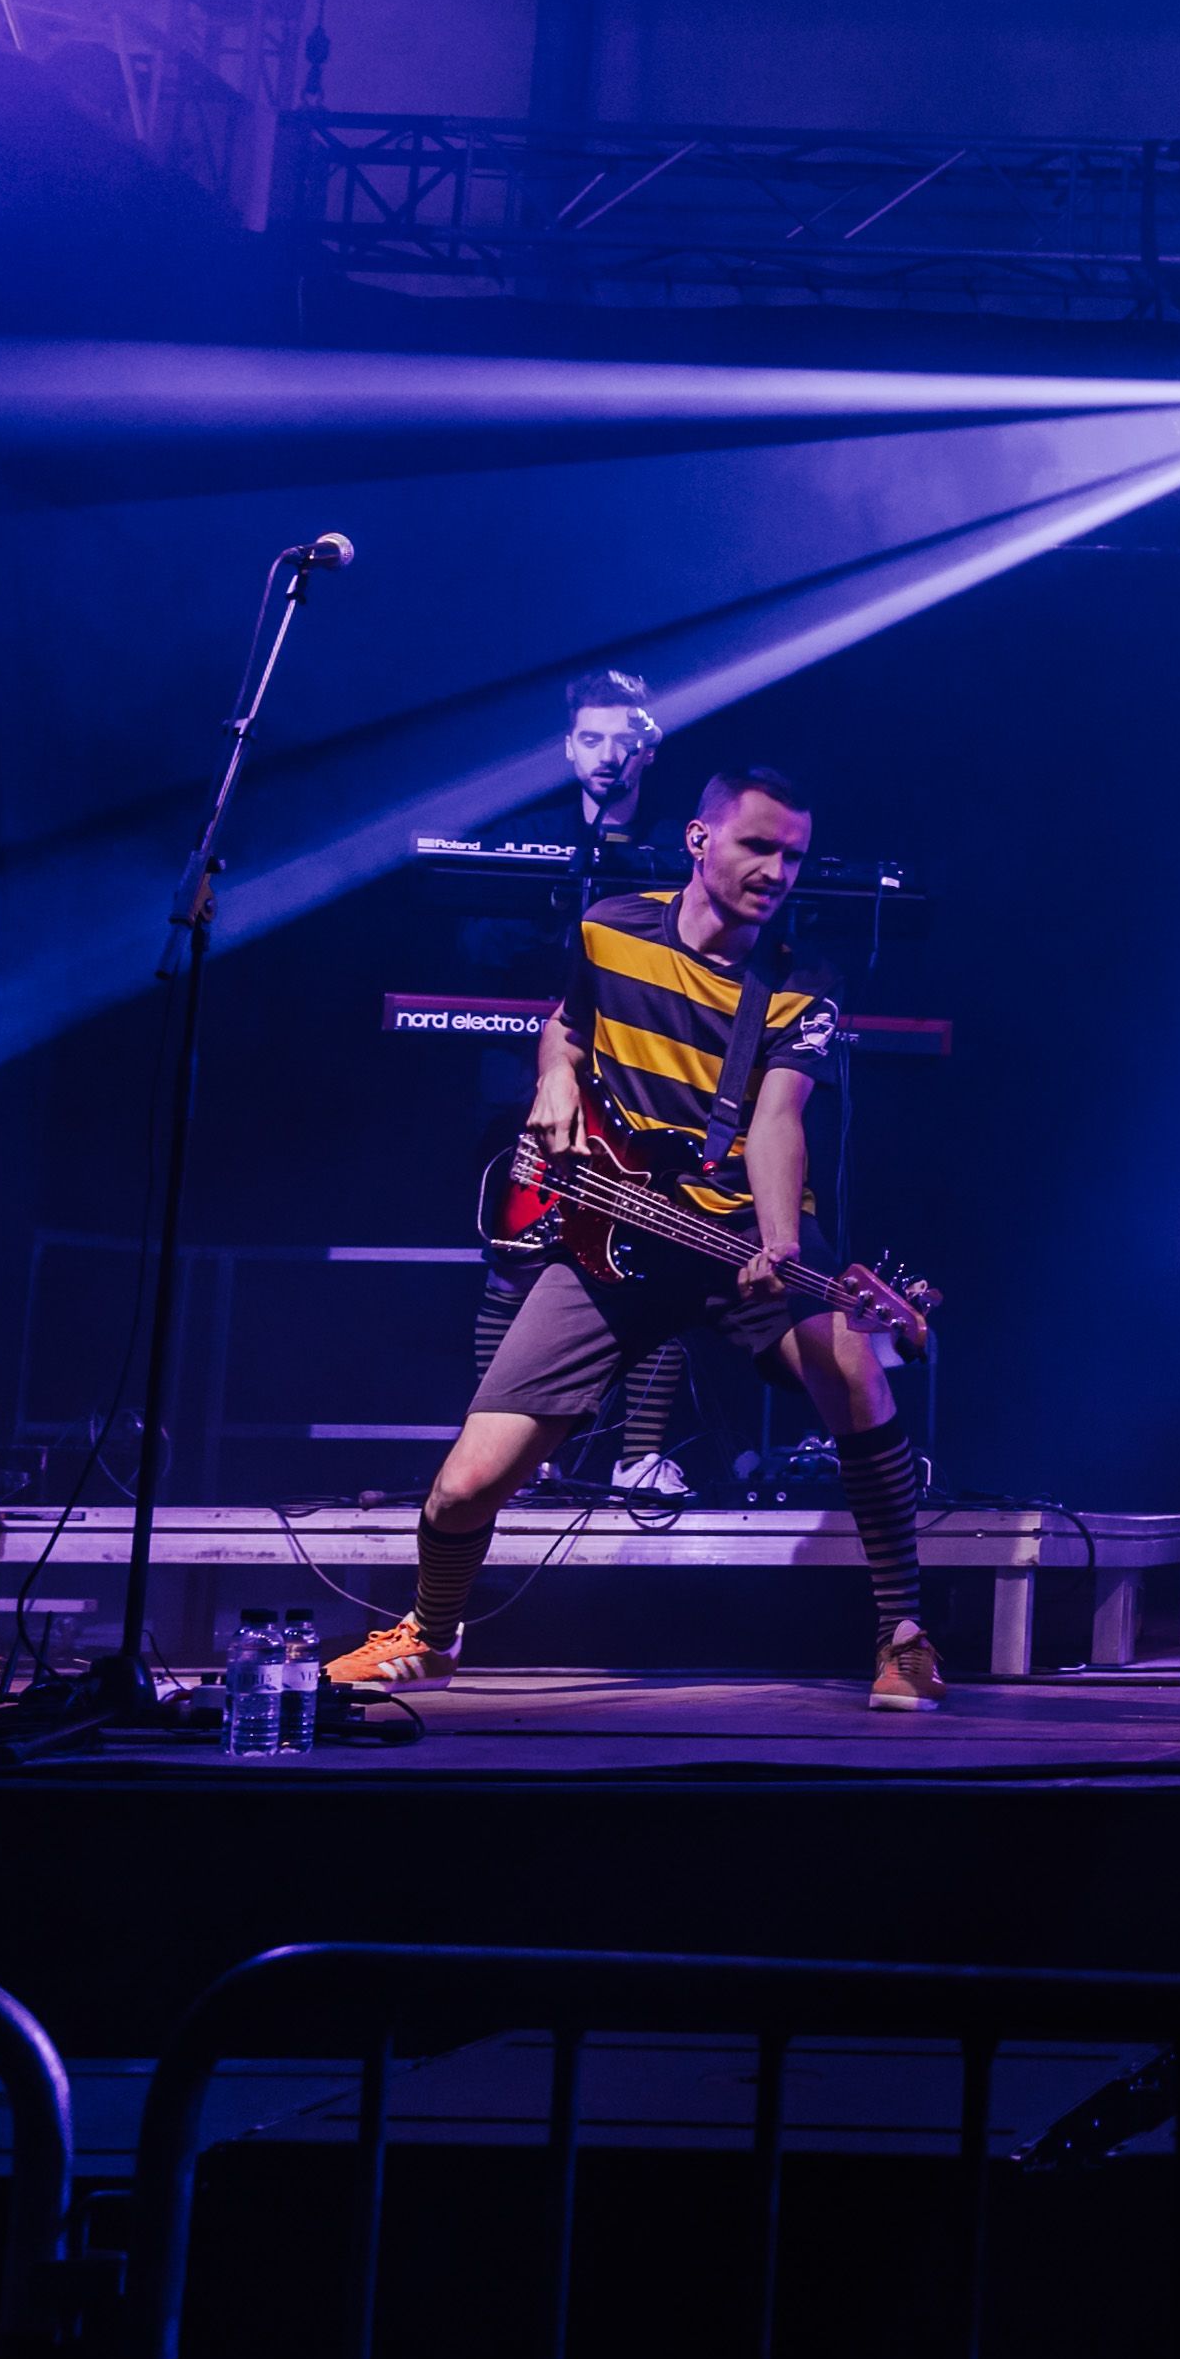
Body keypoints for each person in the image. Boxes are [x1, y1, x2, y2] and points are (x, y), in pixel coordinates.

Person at [337, 765, 949, 1711]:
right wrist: (550, 1078)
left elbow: (781, 1121)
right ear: (701, 841)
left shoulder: (801, 991)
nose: (778, 869)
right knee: (462, 1486)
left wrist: (781, 1238)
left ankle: (903, 1635)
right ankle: (430, 1632)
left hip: (746, 1237)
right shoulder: (614, 927)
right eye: (758, 845)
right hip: (613, 1244)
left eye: (793, 854)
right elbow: (567, 1032)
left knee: (857, 1367)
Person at [456, 671, 703, 1497]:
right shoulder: (529, 835)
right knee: (513, 1258)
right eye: (590, 739)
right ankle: (515, 1460)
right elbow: (477, 946)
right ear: (568, 748)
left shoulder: (680, 845)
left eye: (622, 737)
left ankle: (640, 1456)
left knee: (660, 1263)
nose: (607, 754)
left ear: (649, 745)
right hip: (532, 1087)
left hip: (644, 1088)